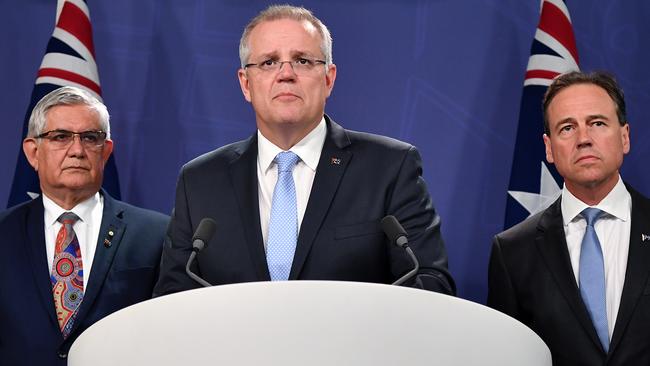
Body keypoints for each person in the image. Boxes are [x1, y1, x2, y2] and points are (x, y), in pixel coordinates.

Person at [154, 5, 454, 295]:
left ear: (329, 78)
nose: (286, 74)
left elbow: (429, 281)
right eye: (269, 62)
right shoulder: (200, 181)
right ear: (246, 84)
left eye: (302, 60)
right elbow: (173, 296)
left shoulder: (389, 167)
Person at [488, 71, 650, 366]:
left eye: (597, 123)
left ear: (624, 137)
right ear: (549, 148)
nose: (584, 139)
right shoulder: (512, 252)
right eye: (567, 128)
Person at [0, 86, 169, 365]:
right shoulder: (4, 234)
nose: (77, 150)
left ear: (105, 152)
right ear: (33, 152)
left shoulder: (156, 235)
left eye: (91, 138)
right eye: (61, 137)